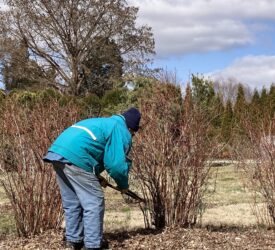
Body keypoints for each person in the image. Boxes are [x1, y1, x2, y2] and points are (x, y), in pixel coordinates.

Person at [43, 107, 141, 250]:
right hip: (76, 157)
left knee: (72, 201)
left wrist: (96, 176)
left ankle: (73, 240)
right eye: (133, 133)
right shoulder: (120, 130)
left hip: (58, 153)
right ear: (132, 128)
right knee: (94, 202)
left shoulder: (105, 122)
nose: (132, 136)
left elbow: (91, 146)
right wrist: (123, 184)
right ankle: (93, 245)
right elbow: (116, 165)